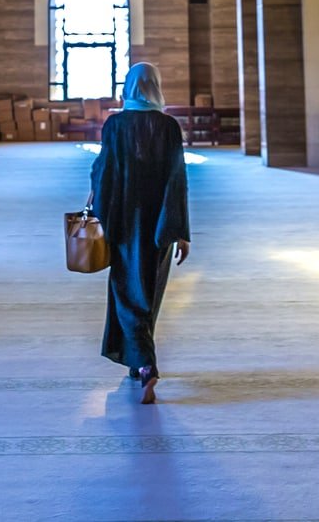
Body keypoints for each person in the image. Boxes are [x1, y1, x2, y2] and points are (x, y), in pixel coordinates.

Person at [88, 62, 190, 403]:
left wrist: (98, 211)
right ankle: (137, 361)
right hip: (159, 224)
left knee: (126, 292)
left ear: (128, 87)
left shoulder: (115, 125)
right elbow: (177, 181)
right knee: (149, 293)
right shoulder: (169, 127)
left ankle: (145, 364)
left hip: (123, 223)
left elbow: (104, 173)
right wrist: (181, 231)